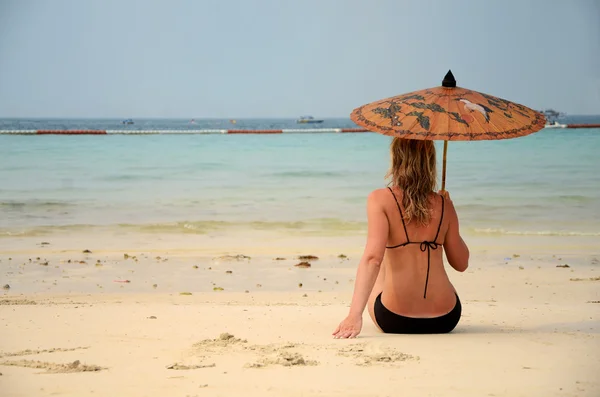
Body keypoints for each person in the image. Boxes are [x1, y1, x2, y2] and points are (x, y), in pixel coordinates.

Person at [332, 138, 469, 338]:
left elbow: (372, 259)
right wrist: (449, 212)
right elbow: (462, 263)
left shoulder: (379, 199)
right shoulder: (443, 204)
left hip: (394, 317)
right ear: (430, 162)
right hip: (446, 317)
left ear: (396, 160)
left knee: (382, 256)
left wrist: (354, 316)